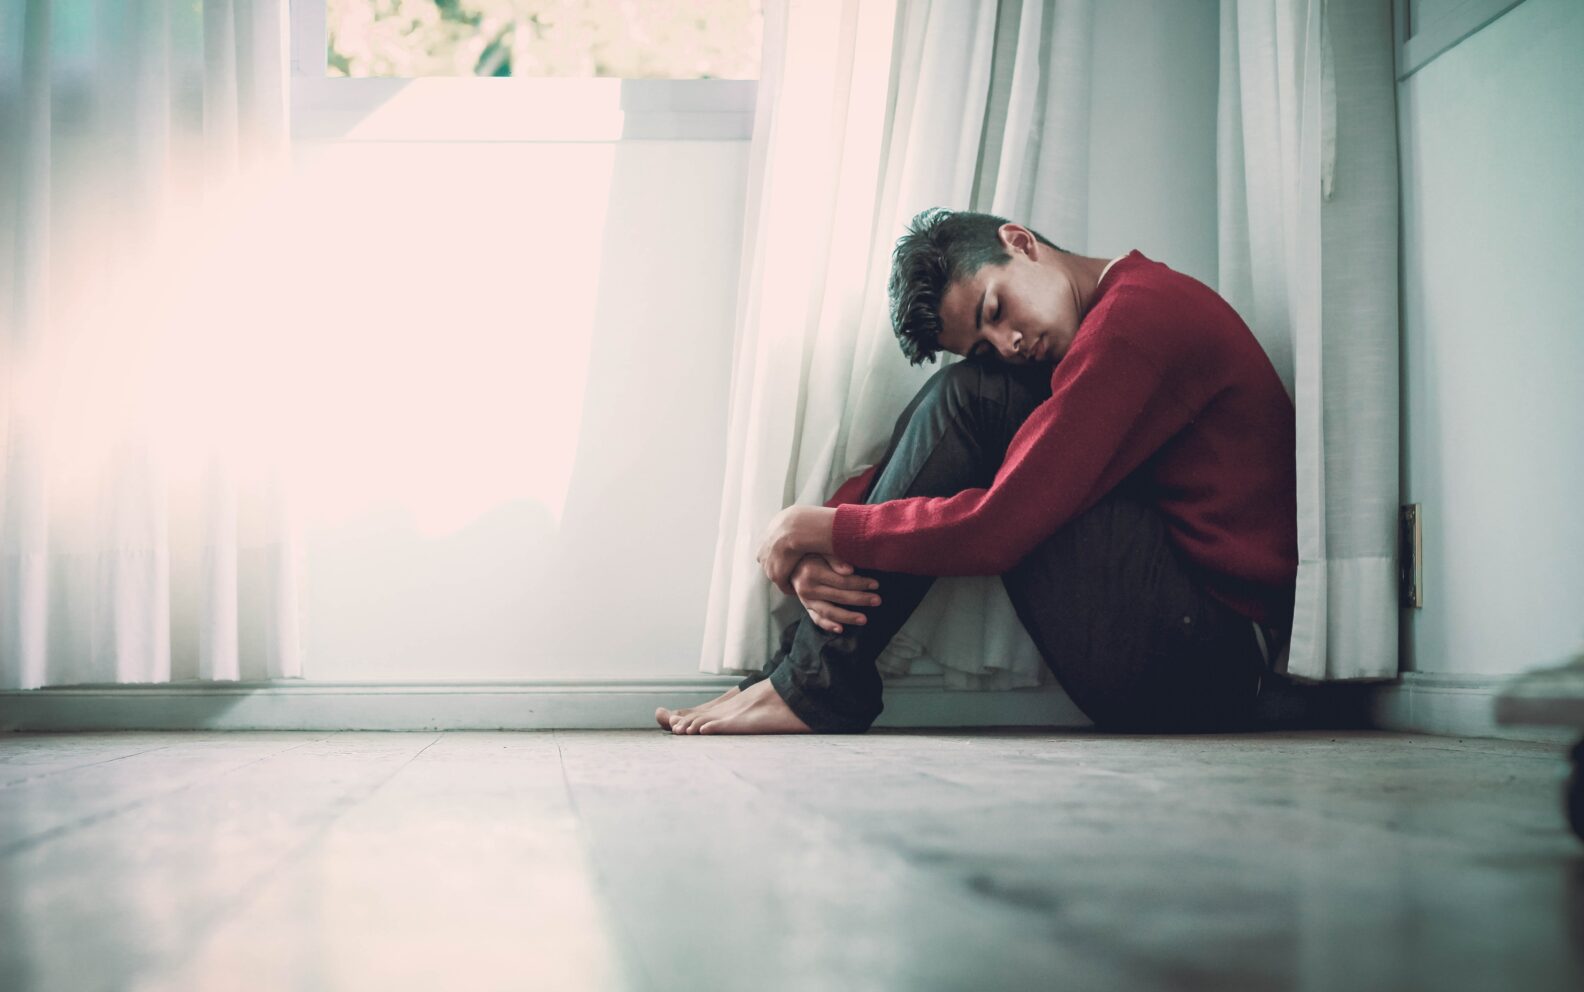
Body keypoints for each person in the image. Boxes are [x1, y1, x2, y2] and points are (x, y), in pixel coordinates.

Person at [657, 208, 1297, 735]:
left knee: (974, 397)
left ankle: (812, 686)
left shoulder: (1136, 326)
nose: (1011, 344)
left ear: (1020, 243)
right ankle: (804, 677)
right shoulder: (1109, 321)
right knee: (970, 390)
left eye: (996, 309)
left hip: (1211, 663)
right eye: (988, 341)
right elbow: (935, 456)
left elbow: (1000, 528)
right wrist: (818, 536)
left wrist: (821, 530)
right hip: (1184, 638)